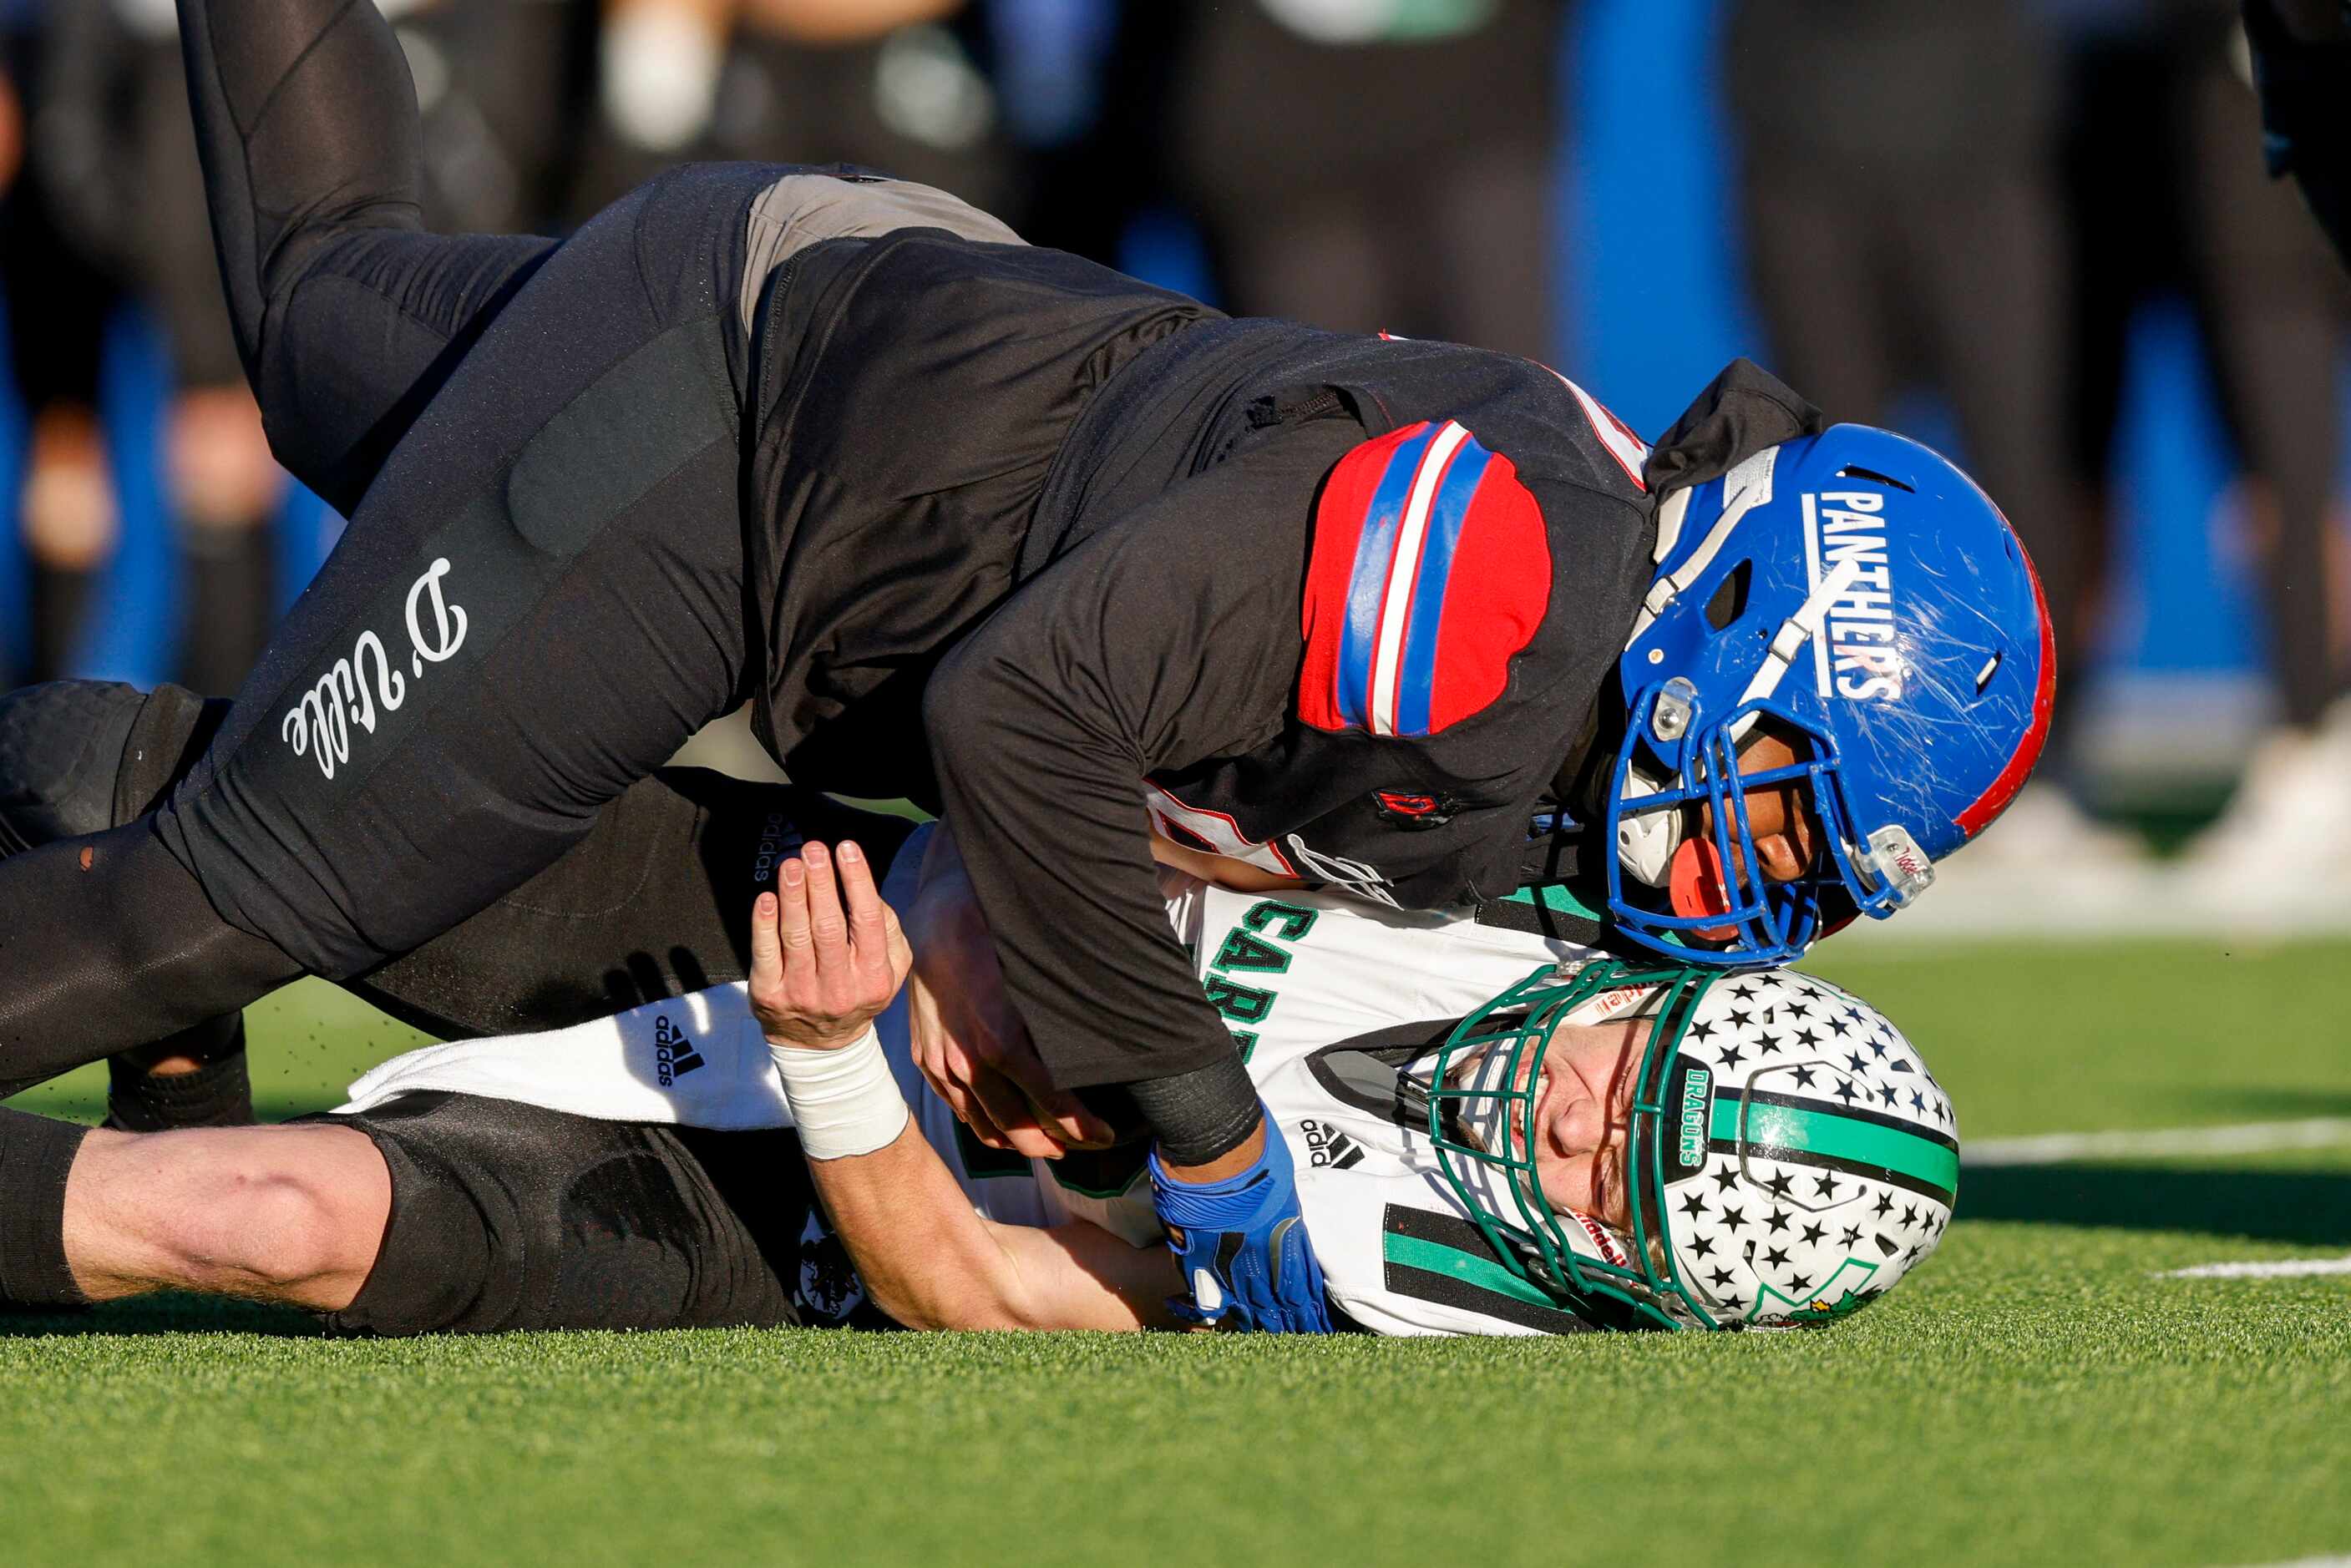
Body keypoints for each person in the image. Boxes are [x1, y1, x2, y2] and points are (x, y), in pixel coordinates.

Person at [0, 0, 2042, 1333]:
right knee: (217, 910)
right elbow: (1024, 712)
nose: (1759, 880)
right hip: (739, 452)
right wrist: (1209, 1139)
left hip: (860, 361)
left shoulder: (1570, 751)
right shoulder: (1500, 581)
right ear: (1729, 630)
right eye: (1783, 799)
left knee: (320, 304)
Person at [0, 814, 1957, 1336]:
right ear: (1669, 991)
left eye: (1623, 1180)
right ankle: (166, 1070)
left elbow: (978, 1283)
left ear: (1630, 1278)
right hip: (866, 894)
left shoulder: (1426, 1296)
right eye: (1637, 1075)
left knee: (258, 1216)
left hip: (804, 1193)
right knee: (139, 791)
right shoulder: (1525, 874)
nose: (1568, 1119)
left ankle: (164, 1155)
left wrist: (847, 1062)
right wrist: (952, 917)